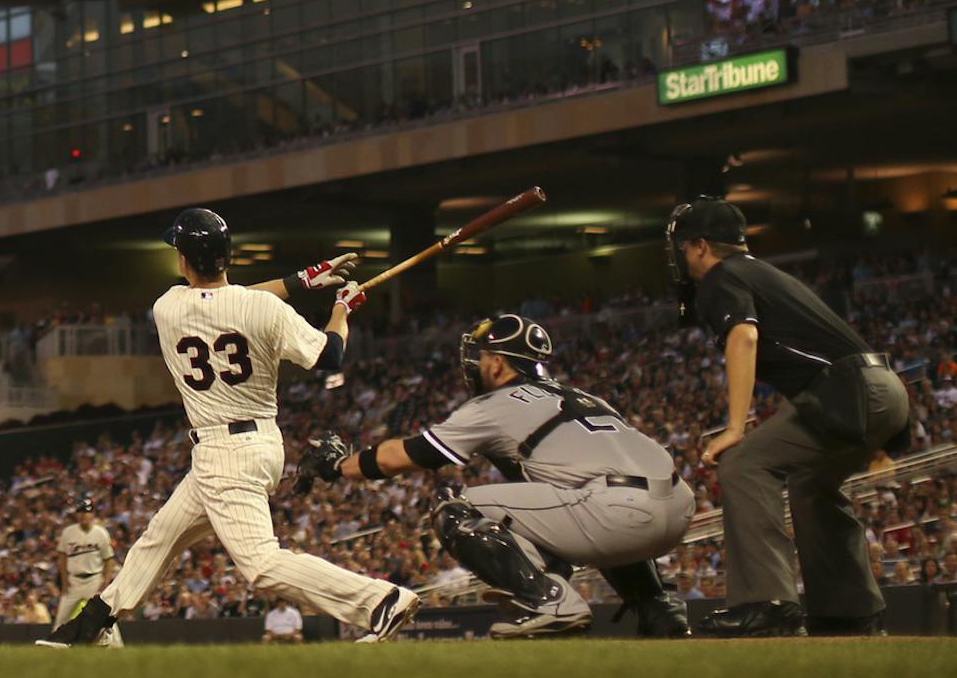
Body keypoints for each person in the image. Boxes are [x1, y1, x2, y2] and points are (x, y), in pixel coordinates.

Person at [37, 207, 413, 648]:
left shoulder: (167, 307)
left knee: (261, 564)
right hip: (258, 443)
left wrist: (298, 282)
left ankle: (380, 600)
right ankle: (92, 624)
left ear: (184, 259)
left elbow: (224, 303)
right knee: (159, 537)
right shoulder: (263, 308)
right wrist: (340, 310)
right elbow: (329, 355)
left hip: (225, 451)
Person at [304, 314, 692, 638]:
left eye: (480, 356)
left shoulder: (494, 405)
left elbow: (405, 457)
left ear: (498, 363)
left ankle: (549, 601)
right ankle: (659, 608)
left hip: (616, 513)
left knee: (453, 506)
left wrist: (340, 465)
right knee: (583, 503)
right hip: (676, 507)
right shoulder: (584, 396)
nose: (473, 365)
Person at [668, 197, 911, 637]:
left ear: (701, 246)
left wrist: (736, 427)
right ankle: (849, 611)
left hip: (847, 391)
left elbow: (743, 336)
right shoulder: (760, 271)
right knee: (809, 484)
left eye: (683, 248)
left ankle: (767, 604)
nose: (681, 258)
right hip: (883, 389)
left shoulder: (721, 277)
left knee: (742, 462)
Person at [53, 495, 116, 627]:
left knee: (103, 614)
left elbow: (109, 559)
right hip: (73, 581)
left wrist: (106, 580)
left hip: (94, 580)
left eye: (87, 512)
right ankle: (56, 643)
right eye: (81, 512)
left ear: (92, 514)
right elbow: (62, 557)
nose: (83, 515)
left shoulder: (101, 533)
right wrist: (64, 581)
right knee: (62, 617)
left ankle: (115, 645)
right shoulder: (68, 533)